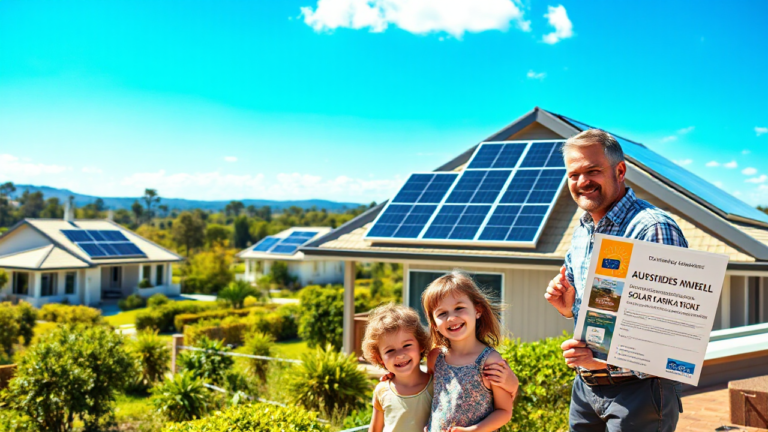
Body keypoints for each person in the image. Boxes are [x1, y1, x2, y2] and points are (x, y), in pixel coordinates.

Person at [544, 129, 687, 431]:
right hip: (585, 389)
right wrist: (567, 307)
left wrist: (607, 363)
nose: (582, 182)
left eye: (592, 171)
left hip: (638, 393)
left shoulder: (652, 230)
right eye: (574, 174)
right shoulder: (583, 229)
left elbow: (670, 337)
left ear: (620, 170)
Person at [423, 271, 518, 432]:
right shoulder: (435, 357)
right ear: (434, 324)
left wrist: (474, 430)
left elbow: (504, 411)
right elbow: (428, 394)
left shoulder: (490, 361)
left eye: (459, 308)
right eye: (442, 313)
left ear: (477, 310)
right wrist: (393, 378)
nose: (451, 318)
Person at [363, 303, 434, 432]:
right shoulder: (382, 390)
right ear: (380, 358)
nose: (400, 355)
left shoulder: (437, 385)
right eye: (390, 350)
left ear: (421, 345)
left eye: (407, 345)